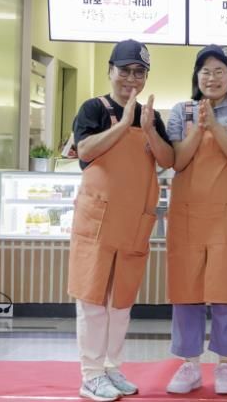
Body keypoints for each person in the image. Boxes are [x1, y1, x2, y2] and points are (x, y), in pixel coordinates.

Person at [68, 39, 174, 401]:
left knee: (121, 301)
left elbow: (168, 159)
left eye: (139, 72)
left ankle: (112, 367)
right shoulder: (93, 108)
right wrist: (124, 123)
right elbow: (85, 150)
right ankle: (91, 374)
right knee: (93, 299)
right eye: (125, 70)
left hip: (134, 222)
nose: (131, 78)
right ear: (110, 71)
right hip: (98, 221)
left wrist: (147, 129)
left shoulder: (151, 116)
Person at [164, 45, 227, 395]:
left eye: (220, 70)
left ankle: (225, 364)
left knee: (226, 289)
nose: (212, 77)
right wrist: (198, 127)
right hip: (188, 213)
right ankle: (189, 364)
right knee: (186, 289)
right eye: (205, 70)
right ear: (197, 76)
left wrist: (215, 127)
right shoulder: (181, 110)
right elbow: (177, 160)